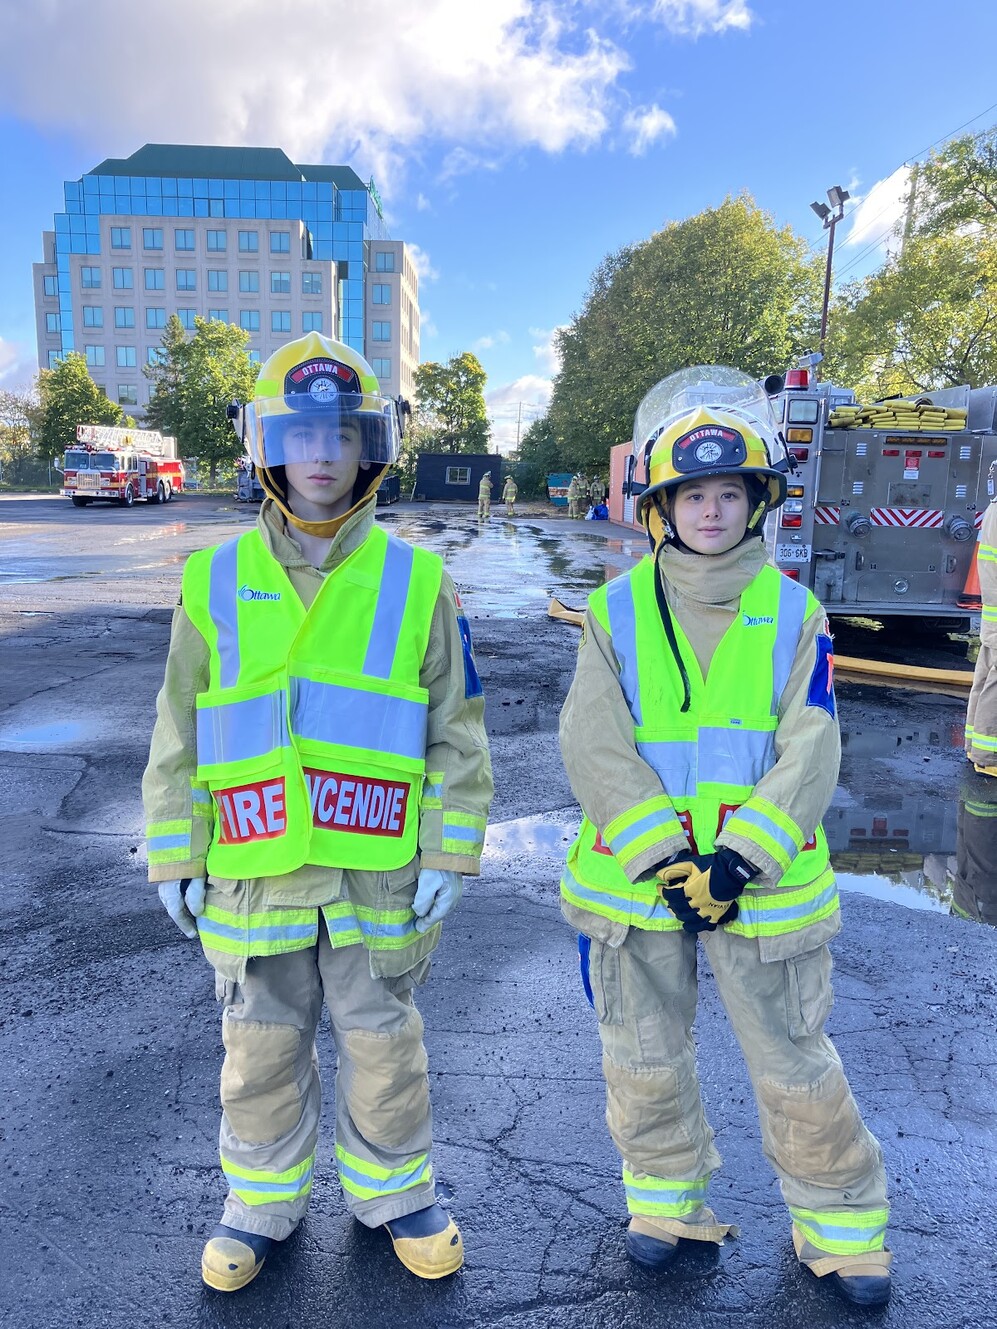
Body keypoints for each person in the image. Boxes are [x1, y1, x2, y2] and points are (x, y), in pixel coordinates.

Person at [143, 333, 493, 1293]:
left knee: (384, 1042)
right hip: (254, 873)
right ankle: (260, 1202)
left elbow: (456, 731)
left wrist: (449, 851)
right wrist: (174, 852)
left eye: (342, 432)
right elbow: (176, 728)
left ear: (371, 445)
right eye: (301, 433)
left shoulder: (418, 581)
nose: (323, 452)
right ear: (267, 445)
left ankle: (395, 1191)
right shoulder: (210, 580)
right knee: (257, 1046)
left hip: (372, 873)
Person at [558, 366, 891, 1310]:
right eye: (691, 494)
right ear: (662, 508)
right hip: (641, 890)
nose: (710, 509)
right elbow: (592, 741)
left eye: (728, 492)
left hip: (764, 887)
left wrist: (739, 859)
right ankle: (666, 1207)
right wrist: (666, 859)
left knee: (795, 1064)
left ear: (757, 501)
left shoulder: (796, 613)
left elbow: (811, 742)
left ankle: (840, 1227)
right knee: (642, 1058)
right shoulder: (612, 611)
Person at [966, 466, 997, 775]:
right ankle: (988, 757)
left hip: (993, 614)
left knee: (986, 675)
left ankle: (974, 744)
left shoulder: (994, 508)